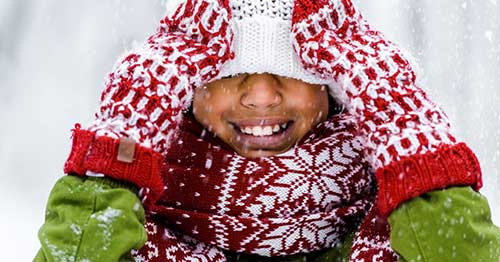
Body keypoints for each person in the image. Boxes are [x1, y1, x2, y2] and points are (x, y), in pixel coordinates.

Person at [35, 0, 500, 261]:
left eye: (294, 70)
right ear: (182, 87)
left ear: (336, 85)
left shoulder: (393, 232)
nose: (260, 96)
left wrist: (408, 129)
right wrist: (119, 147)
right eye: (227, 72)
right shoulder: (130, 232)